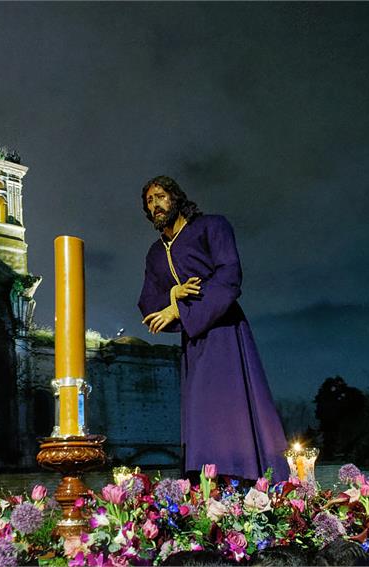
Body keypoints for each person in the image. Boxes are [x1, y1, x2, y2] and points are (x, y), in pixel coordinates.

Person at [137, 175, 288, 481]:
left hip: (224, 328)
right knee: (200, 409)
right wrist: (173, 295)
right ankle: (205, 482)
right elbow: (148, 302)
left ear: (176, 198)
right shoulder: (155, 253)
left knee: (230, 401)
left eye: (161, 196)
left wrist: (180, 309)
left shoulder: (212, 226)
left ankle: (245, 476)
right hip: (193, 341)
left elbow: (229, 275)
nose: (155, 204)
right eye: (150, 201)